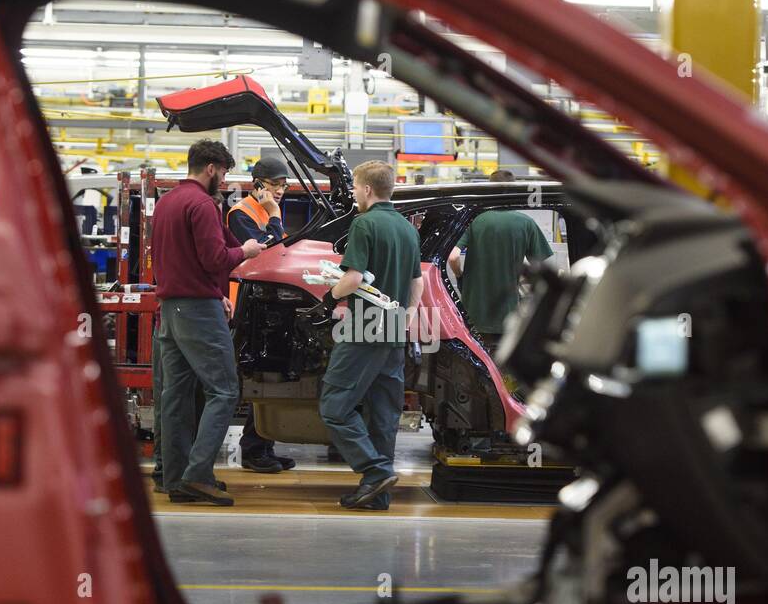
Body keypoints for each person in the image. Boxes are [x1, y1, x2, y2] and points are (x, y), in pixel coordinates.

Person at [151, 138, 261, 506]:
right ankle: (197, 475)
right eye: (225, 172)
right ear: (211, 168)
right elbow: (216, 258)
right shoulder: (201, 204)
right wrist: (245, 251)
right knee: (224, 390)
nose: (225, 181)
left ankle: (172, 476)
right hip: (197, 311)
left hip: (170, 310)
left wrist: (217, 293)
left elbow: (185, 258)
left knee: (175, 395)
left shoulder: (167, 202)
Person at [318, 161, 423, 511]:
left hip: (364, 329)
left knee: (334, 405)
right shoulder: (408, 229)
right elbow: (417, 282)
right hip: (394, 331)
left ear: (366, 189)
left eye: (355, 189)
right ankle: (377, 495)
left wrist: (330, 294)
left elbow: (353, 279)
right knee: (384, 415)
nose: (353, 195)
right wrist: (404, 318)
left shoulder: (364, 224)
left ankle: (374, 471)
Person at [226, 158, 297, 474]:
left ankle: (263, 445)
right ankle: (254, 450)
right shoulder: (241, 214)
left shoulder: (263, 212)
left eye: (283, 185)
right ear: (258, 184)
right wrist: (275, 216)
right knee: (257, 378)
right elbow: (271, 248)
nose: (280, 191)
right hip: (246, 304)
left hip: (267, 304)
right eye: (275, 184)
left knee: (269, 377)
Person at [448, 168, 553, 355]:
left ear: (490, 189)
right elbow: (544, 268)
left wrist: (461, 276)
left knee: (477, 363)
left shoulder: (476, 220)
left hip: (474, 312)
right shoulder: (525, 223)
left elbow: (453, 256)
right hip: (508, 312)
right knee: (504, 368)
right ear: (513, 191)